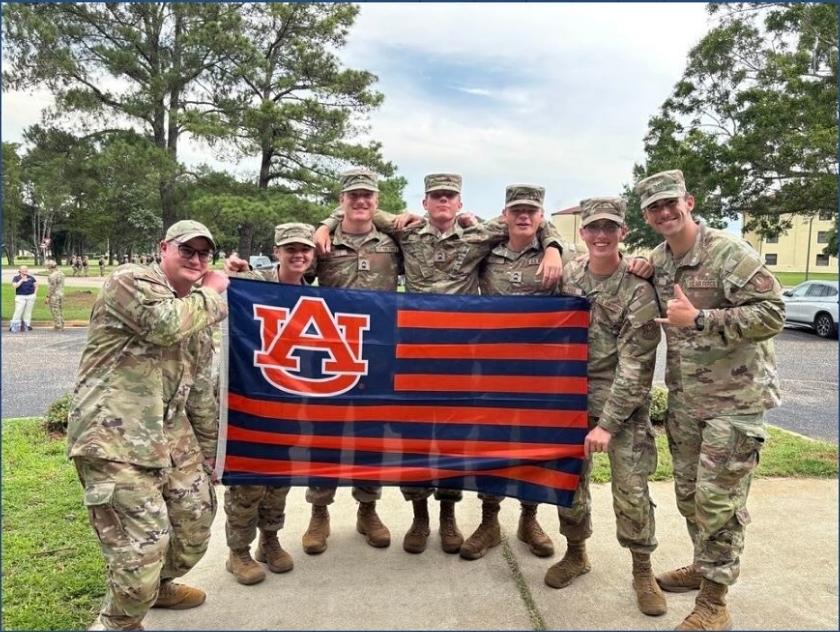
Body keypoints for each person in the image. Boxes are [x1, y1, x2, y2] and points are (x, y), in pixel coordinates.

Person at [316, 173, 567, 555]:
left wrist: (552, 247)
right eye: (436, 196)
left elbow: (529, 218)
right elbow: (359, 211)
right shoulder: (407, 233)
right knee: (414, 436)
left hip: (461, 360)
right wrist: (326, 224)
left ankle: (448, 514)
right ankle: (419, 516)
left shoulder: (478, 236)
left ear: (460, 202)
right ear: (425, 203)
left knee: (454, 437)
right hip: (414, 356)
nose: (443, 202)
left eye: (450, 196)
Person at [634, 170, 785, 630]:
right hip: (685, 402)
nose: (664, 212)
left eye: (670, 203)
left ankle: (714, 602)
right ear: (646, 215)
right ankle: (704, 565)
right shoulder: (658, 261)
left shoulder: (727, 252)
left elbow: (774, 311)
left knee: (719, 503)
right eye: (654, 207)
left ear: (689, 202)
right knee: (690, 499)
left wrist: (701, 318)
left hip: (734, 402)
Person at [67, 220, 230, 631]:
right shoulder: (130, 280)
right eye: (186, 251)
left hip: (170, 435)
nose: (195, 260)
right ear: (164, 248)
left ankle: (158, 587)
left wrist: (212, 452)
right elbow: (164, 325)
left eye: (203, 254)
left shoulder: (194, 306)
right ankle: (122, 622)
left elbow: (198, 389)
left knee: (195, 527)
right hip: (112, 437)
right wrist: (212, 290)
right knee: (142, 549)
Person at [541, 197, 666, 618]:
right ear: (582, 232)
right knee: (569, 487)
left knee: (631, 492)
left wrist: (607, 425)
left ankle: (642, 570)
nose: (600, 235)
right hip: (571, 402)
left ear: (623, 233)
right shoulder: (571, 273)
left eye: (609, 228)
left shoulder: (637, 287)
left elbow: (637, 366)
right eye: (593, 228)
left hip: (621, 406)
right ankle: (576, 553)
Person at [457, 184, 577, 562]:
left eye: (532, 211)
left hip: (540, 371)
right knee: (491, 443)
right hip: (494, 367)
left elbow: (603, 259)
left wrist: (553, 245)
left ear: (542, 217)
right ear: (504, 215)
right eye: (516, 210)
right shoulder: (486, 253)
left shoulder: (562, 255)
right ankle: (489, 521)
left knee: (534, 445)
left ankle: (529, 518)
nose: (524, 216)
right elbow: (467, 239)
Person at [220, 223, 317, 585]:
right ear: (276, 251)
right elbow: (215, 293)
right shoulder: (252, 284)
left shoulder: (316, 297)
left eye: (304, 250)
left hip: (289, 402)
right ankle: (238, 551)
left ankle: (269, 540)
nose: (298, 255)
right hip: (251, 397)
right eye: (290, 249)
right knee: (249, 478)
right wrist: (231, 275)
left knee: (279, 477)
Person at [10, 265, 37, 332]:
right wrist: (22, 280)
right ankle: (14, 325)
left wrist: (35, 294)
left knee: (28, 311)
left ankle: (26, 325)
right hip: (20, 296)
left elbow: (36, 286)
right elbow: (15, 286)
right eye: (23, 270)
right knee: (18, 311)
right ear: (20, 271)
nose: (25, 271)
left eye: (26, 270)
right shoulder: (16, 278)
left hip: (30, 296)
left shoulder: (31, 278)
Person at [45, 260, 65, 331]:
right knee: (60, 309)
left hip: (54, 295)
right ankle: (62, 324)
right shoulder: (61, 273)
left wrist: (48, 296)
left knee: (54, 310)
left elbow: (52, 287)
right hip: (61, 293)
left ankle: (58, 326)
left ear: (49, 267)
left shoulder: (52, 276)